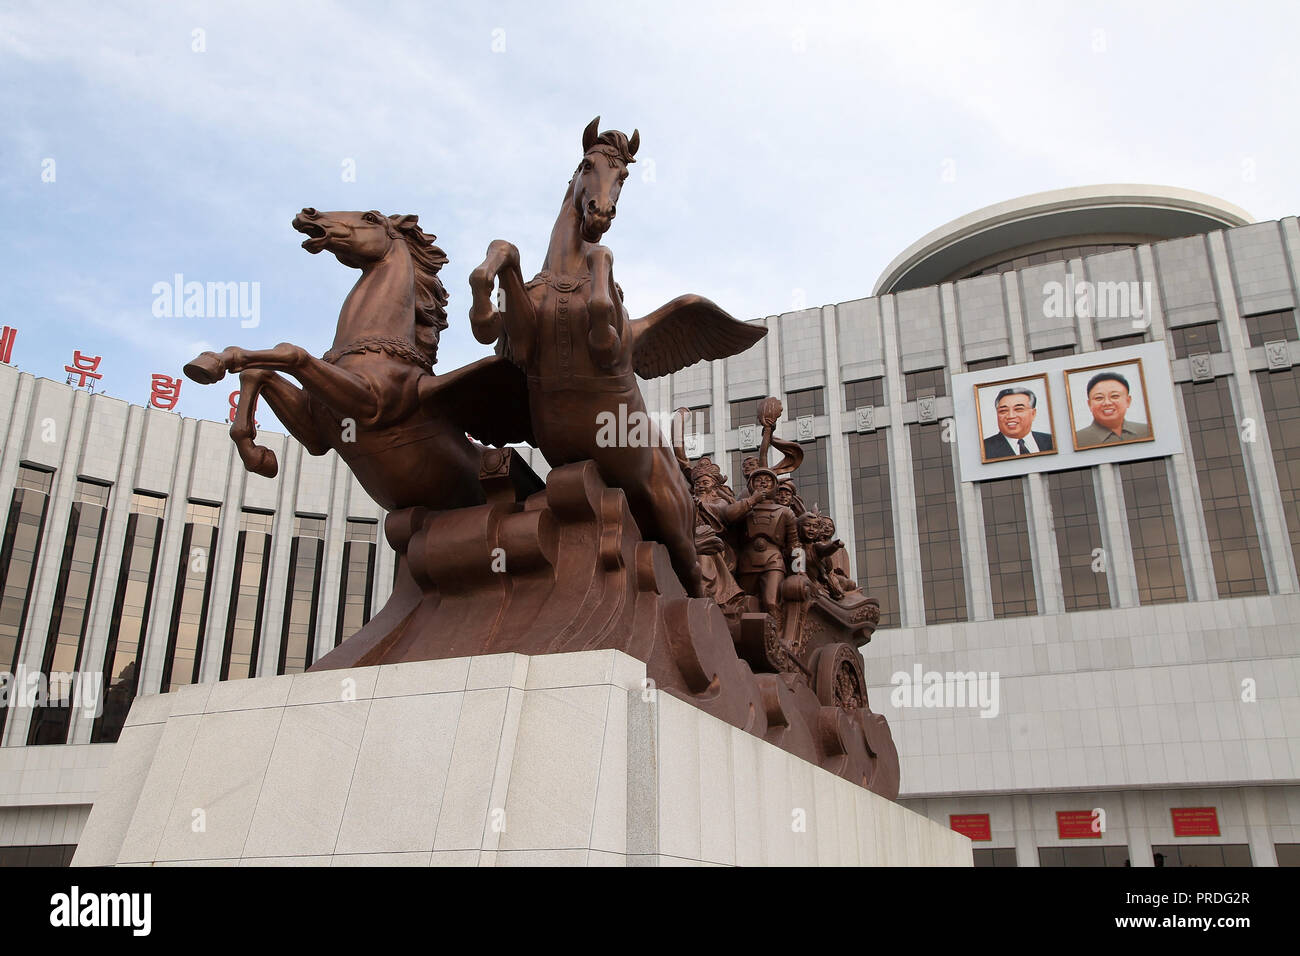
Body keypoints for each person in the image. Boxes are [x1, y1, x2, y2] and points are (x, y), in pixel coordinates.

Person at [1074, 370, 1151, 447]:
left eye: (1114, 396)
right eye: (1099, 398)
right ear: (1089, 404)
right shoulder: (1077, 440)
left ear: (1128, 401)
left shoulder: (1147, 431)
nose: (1107, 403)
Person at [983, 386, 1054, 461]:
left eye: (1018, 409)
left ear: (1033, 414)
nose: (1011, 416)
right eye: (1003, 411)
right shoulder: (984, 449)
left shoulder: (1051, 441)